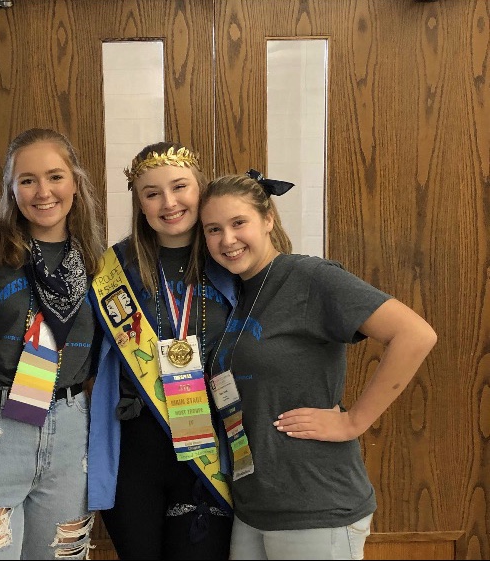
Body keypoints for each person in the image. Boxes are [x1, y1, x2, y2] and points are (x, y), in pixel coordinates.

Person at [199, 171, 438, 560]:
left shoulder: (309, 278)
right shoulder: (237, 294)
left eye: (238, 222)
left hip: (316, 504)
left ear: (268, 220)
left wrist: (353, 420)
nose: (227, 239)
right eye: (213, 229)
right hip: (255, 506)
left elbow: (415, 334)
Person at [0, 128, 105, 560]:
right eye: (27, 180)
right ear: (11, 188)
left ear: (75, 180)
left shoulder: (99, 261)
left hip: (72, 430)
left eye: (55, 176)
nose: (43, 192)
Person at [88, 141, 238, 559]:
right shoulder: (112, 268)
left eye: (179, 187)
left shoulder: (230, 256)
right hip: (136, 443)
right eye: (152, 193)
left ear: (200, 190)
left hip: (210, 439)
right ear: (139, 204)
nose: (168, 203)